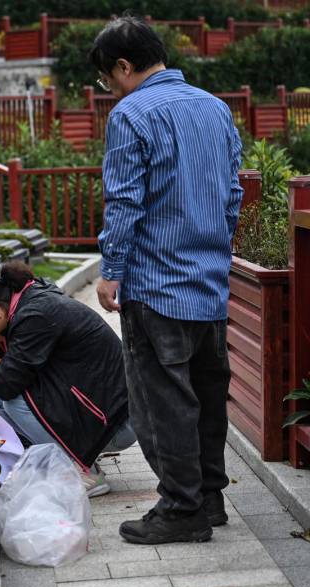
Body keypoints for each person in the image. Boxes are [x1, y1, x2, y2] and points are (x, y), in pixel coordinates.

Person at [90, 16, 243, 544]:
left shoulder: (132, 114)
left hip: (156, 284)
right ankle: (209, 499)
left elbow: (125, 200)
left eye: (107, 78)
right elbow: (232, 195)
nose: (109, 89)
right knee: (205, 392)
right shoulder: (215, 107)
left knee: (163, 401)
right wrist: (214, 254)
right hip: (209, 282)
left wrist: (111, 271)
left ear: (124, 67)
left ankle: (180, 510)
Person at [0, 261, 136, 497]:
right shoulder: (23, 304)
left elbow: (4, 383)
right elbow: (2, 374)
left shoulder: (35, 315)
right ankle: (72, 459)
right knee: (3, 399)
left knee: (11, 399)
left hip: (118, 425)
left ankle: (83, 472)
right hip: (105, 414)